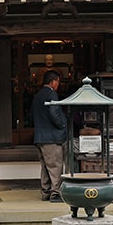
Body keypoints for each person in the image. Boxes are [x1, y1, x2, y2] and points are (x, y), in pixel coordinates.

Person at [31, 70, 68, 201]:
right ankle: (55, 193)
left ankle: (46, 191)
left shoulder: (38, 95)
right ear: (53, 82)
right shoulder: (52, 94)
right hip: (52, 137)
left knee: (45, 166)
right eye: (58, 81)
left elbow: (32, 116)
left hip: (40, 136)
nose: (58, 84)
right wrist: (62, 125)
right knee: (55, 166)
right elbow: (54, 114)